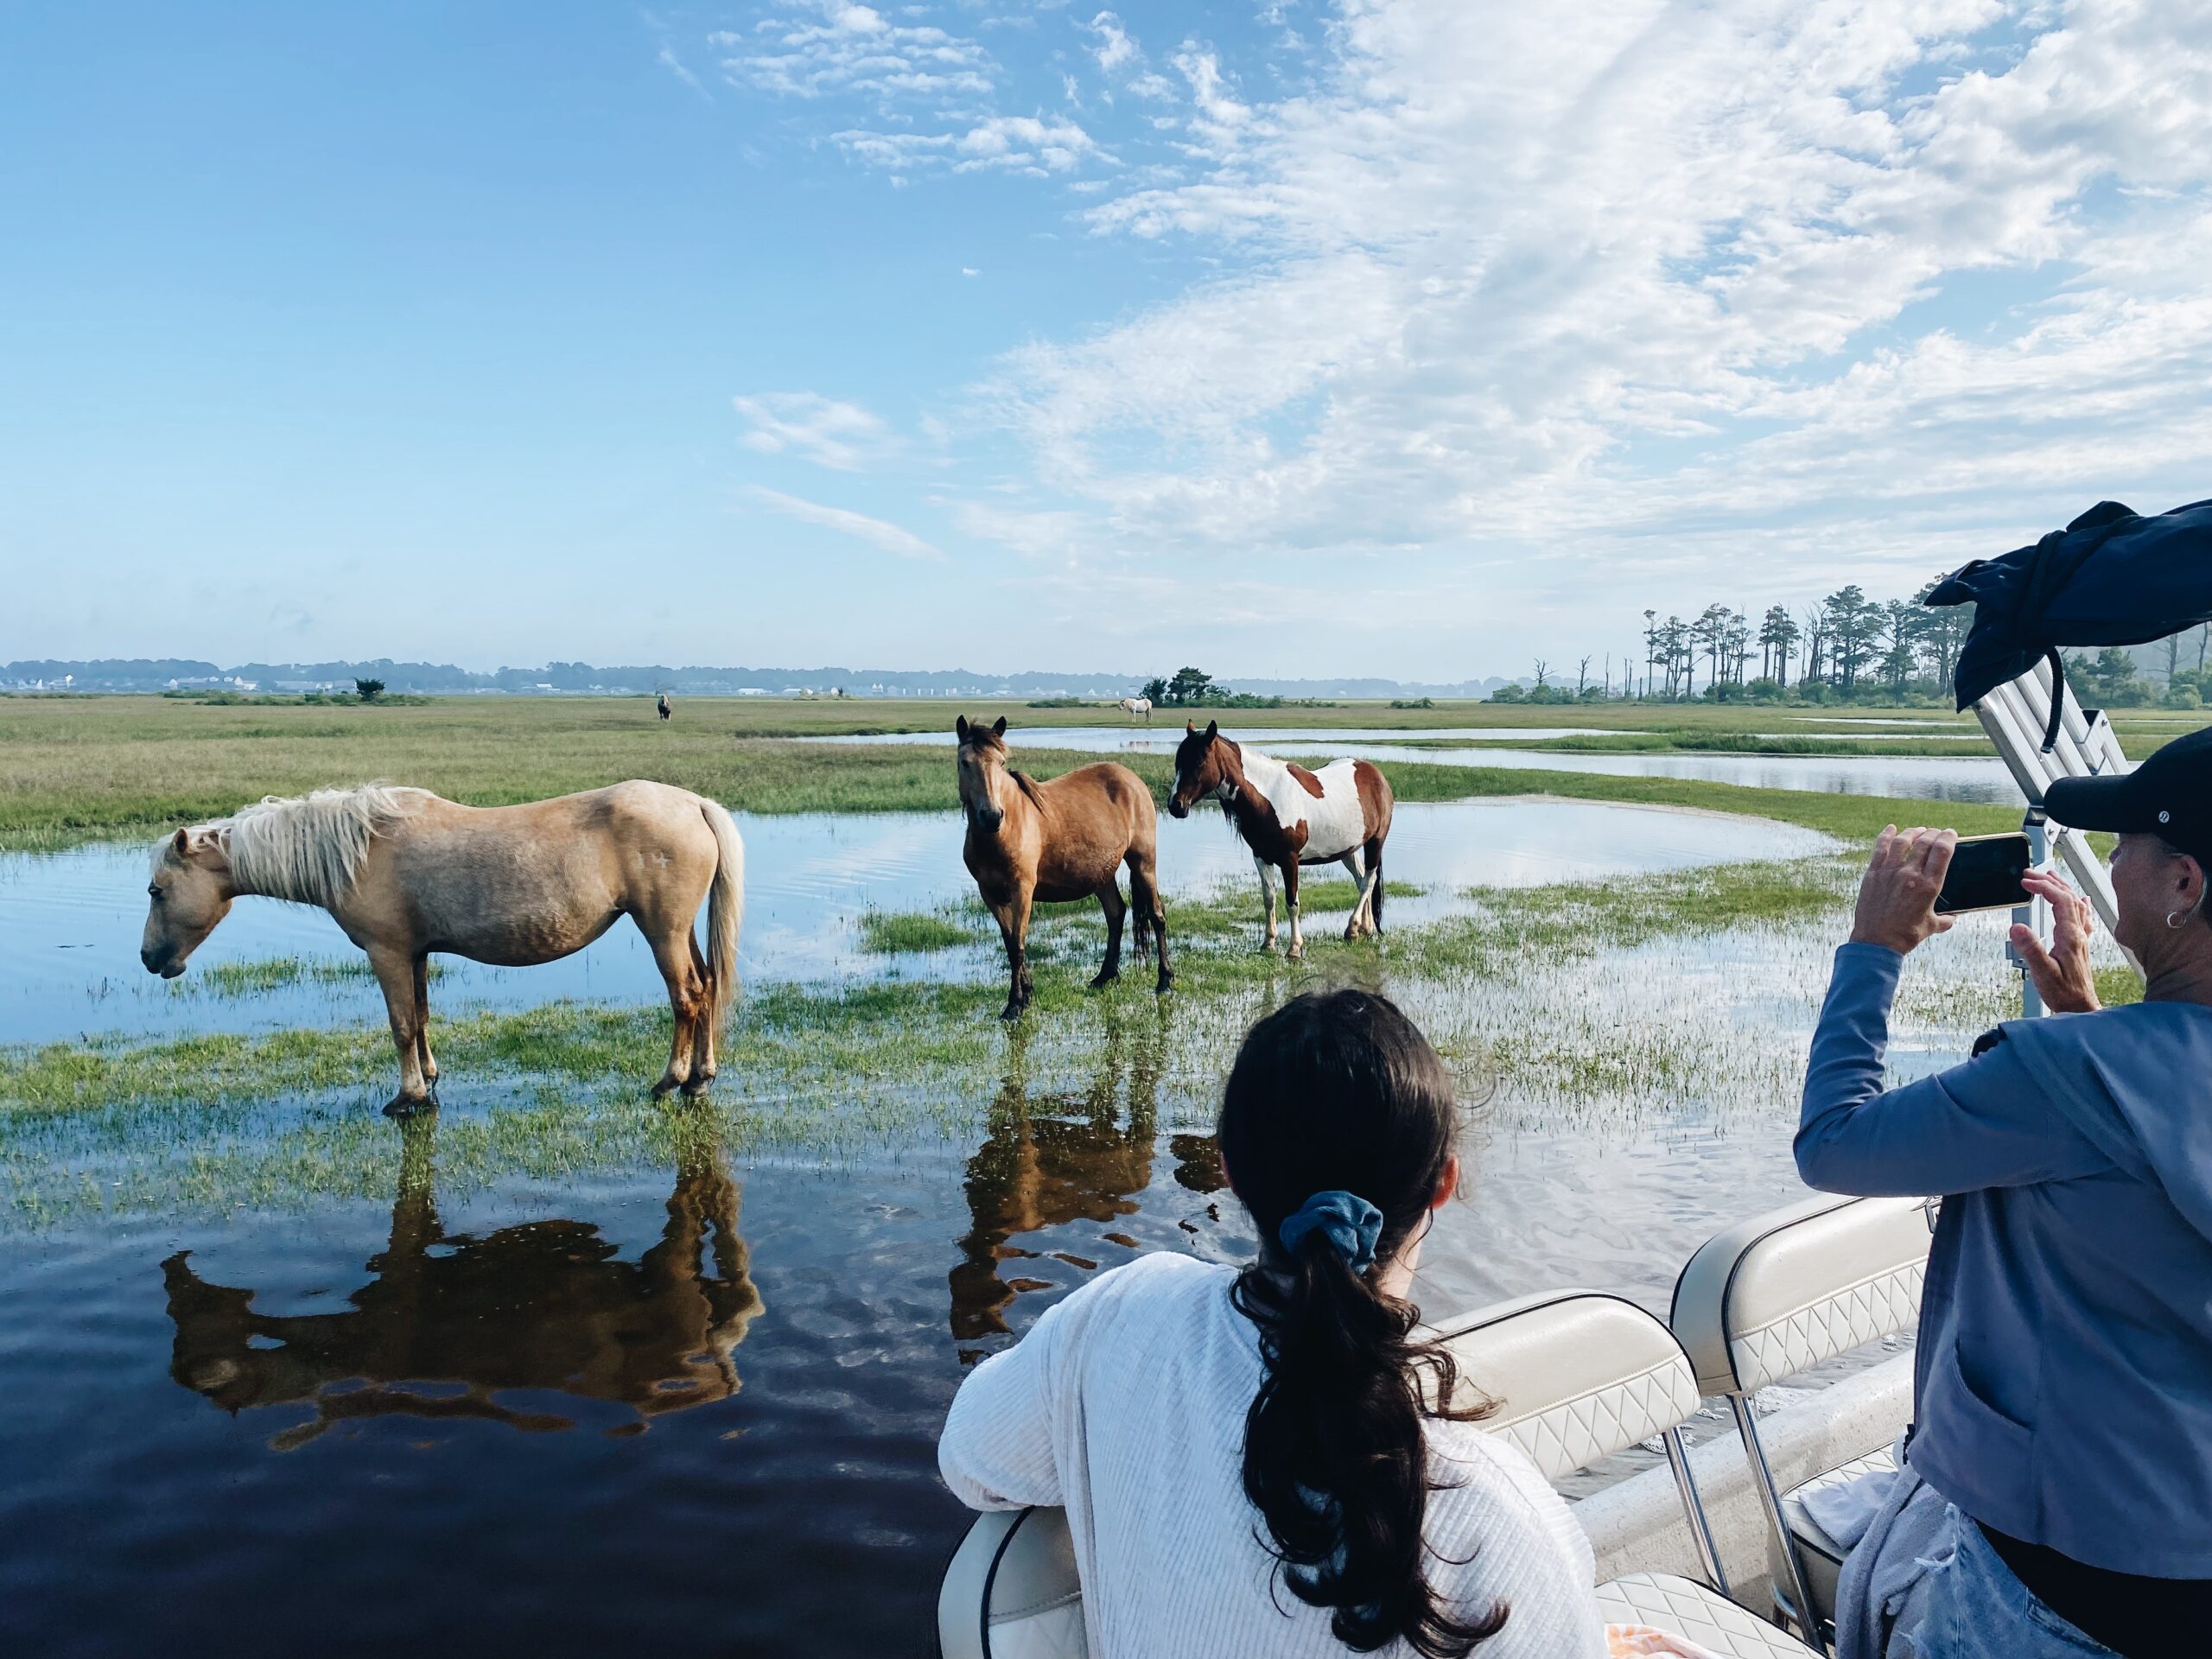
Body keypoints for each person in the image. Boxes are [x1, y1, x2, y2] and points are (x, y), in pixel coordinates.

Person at [938, 988, 1605, 1658]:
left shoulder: (1116, 1315)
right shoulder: (1507, 1534)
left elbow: (970, 1460)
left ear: (1228, 1169)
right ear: (1443, 1183)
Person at [1796, 725, 2212, 1658]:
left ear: (2184, 884)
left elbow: (1832, 1144)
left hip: (2057, 1590)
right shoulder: (2098, 1065)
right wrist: (2087, 1018)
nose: (2108, 862)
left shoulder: (2060, 1078)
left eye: (2125, 846)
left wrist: (1872, 950)